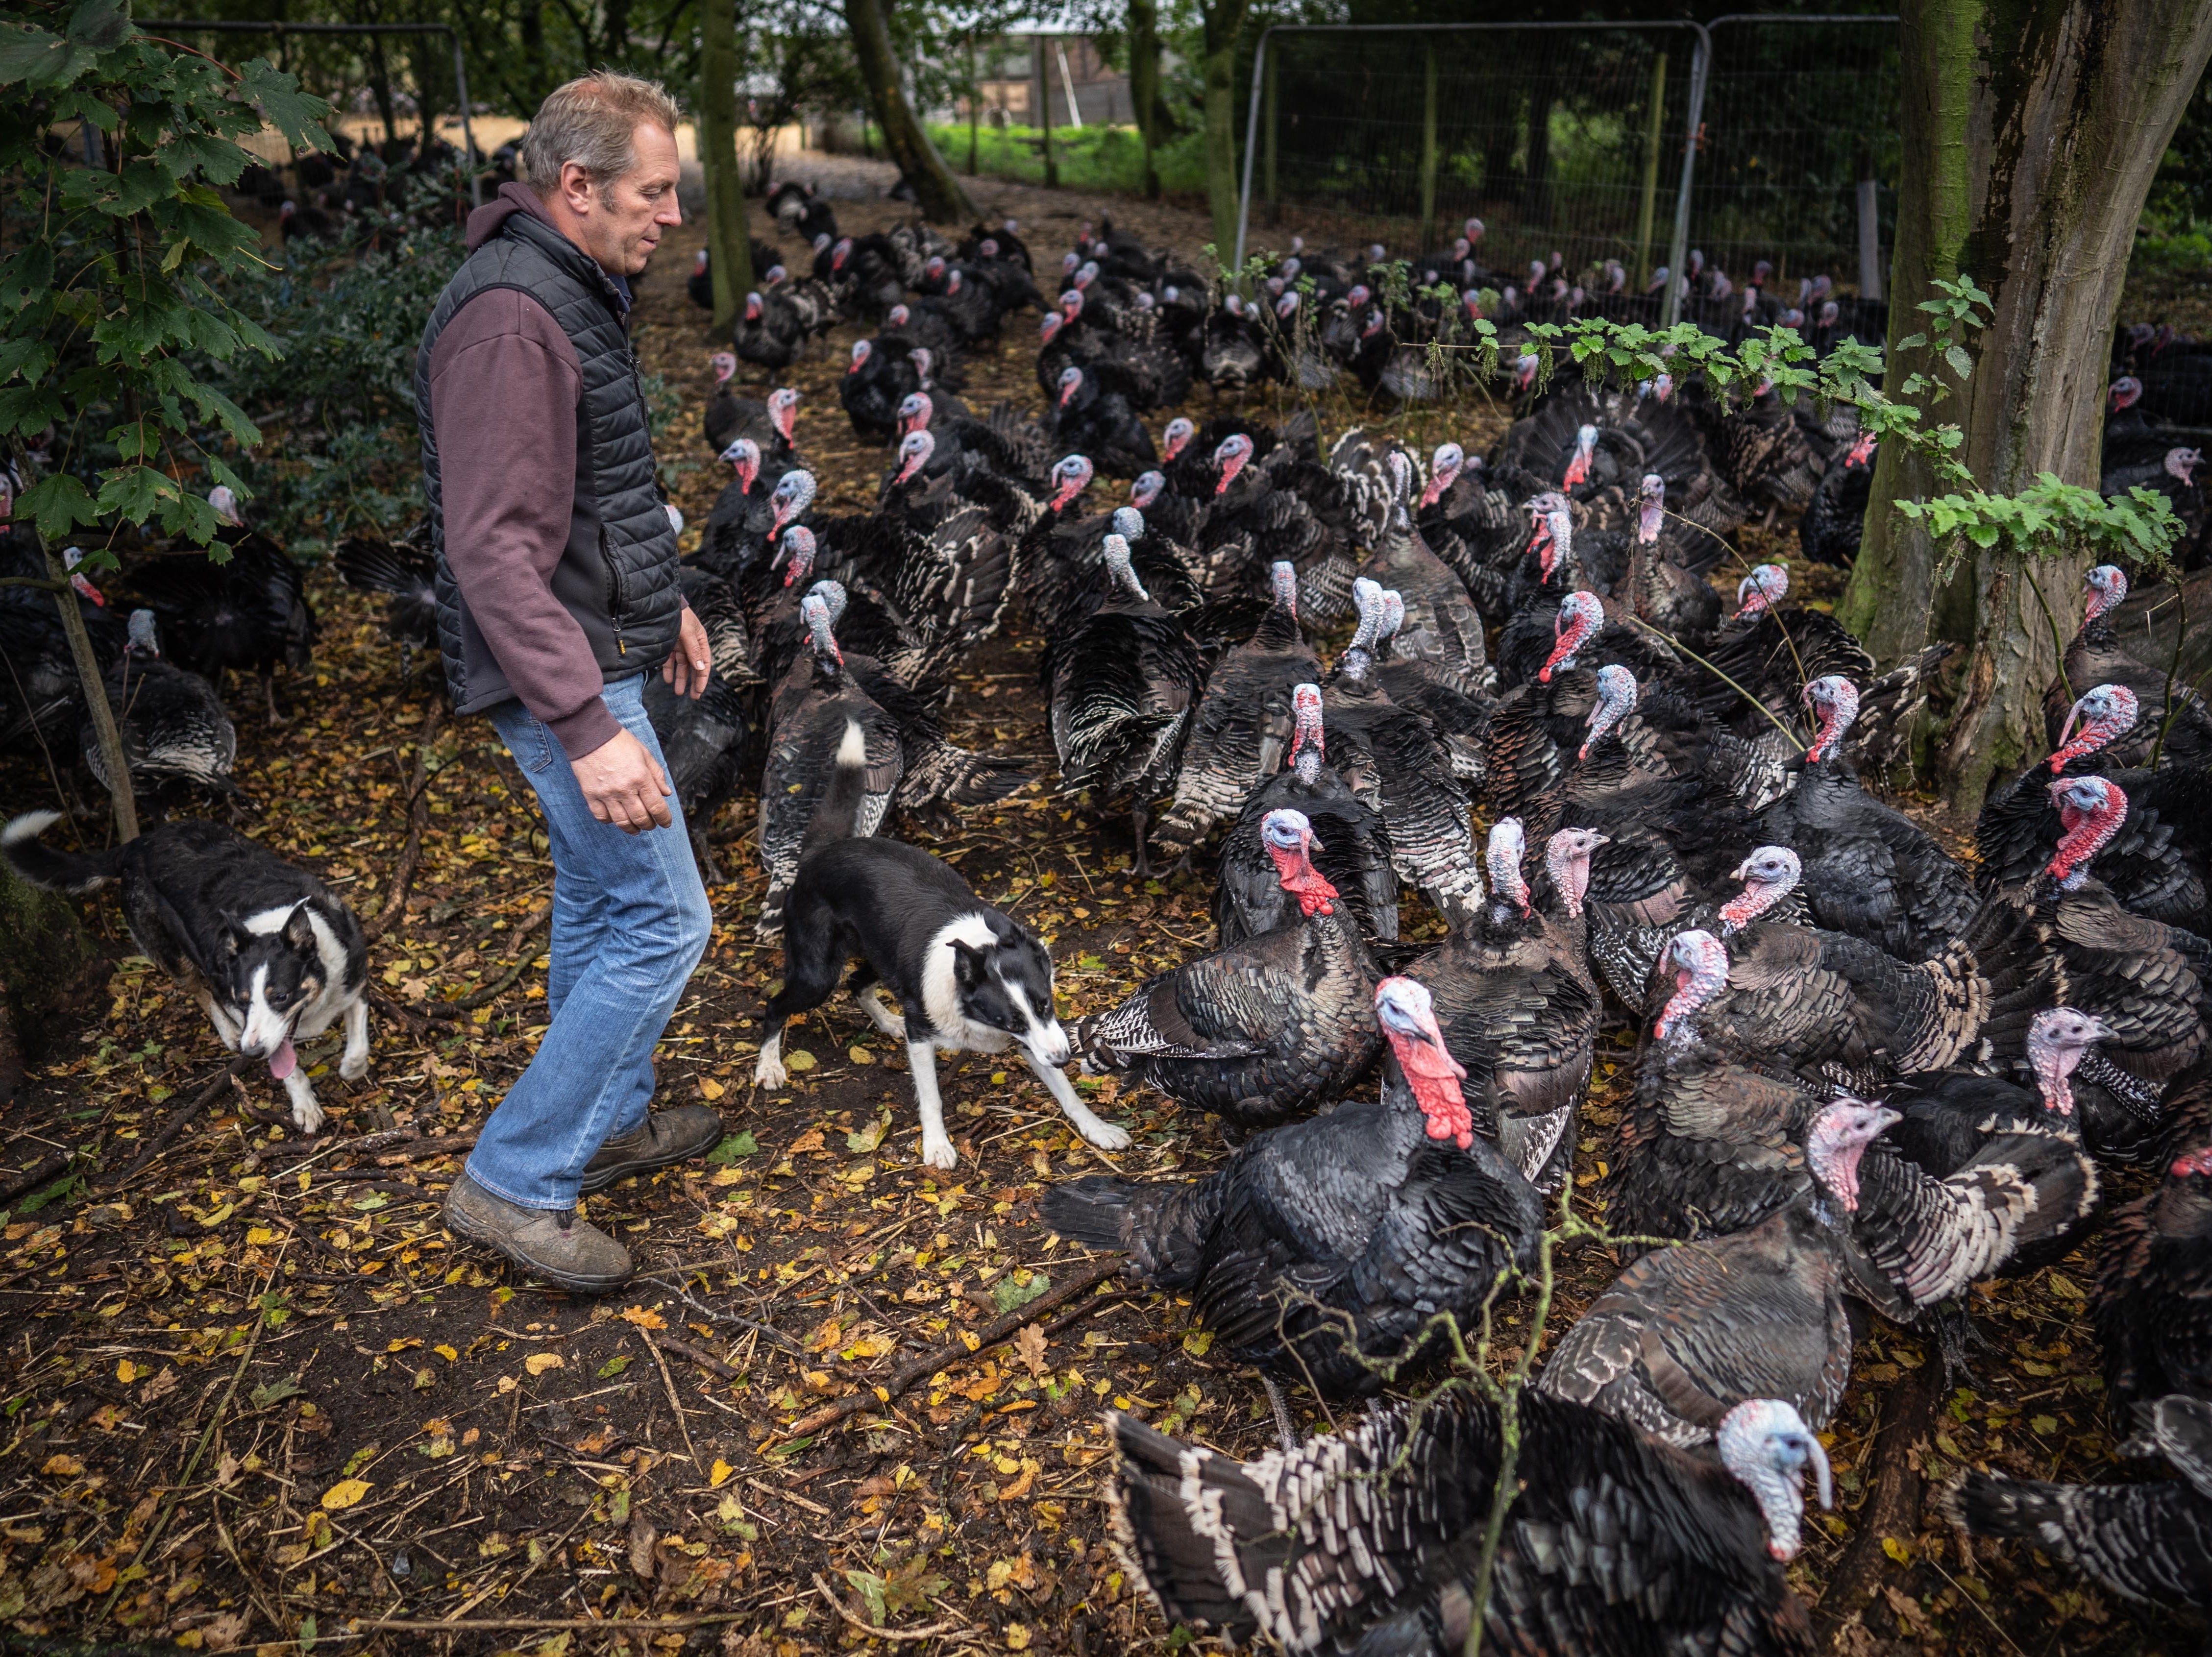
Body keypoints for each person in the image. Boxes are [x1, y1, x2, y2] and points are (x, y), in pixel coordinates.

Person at [418, 72, 721, 1291]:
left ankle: (602, 1122)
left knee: (602, 906)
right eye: (653, 192)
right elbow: (492, 545)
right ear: (576, 184)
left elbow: (582, 489)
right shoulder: (512, 318)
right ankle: (516, 1177)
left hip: (596, 645)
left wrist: (665, 597)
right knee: (666, 920)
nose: (671, 216)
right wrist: (588, 724)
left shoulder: (569, 288)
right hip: (559, 679)